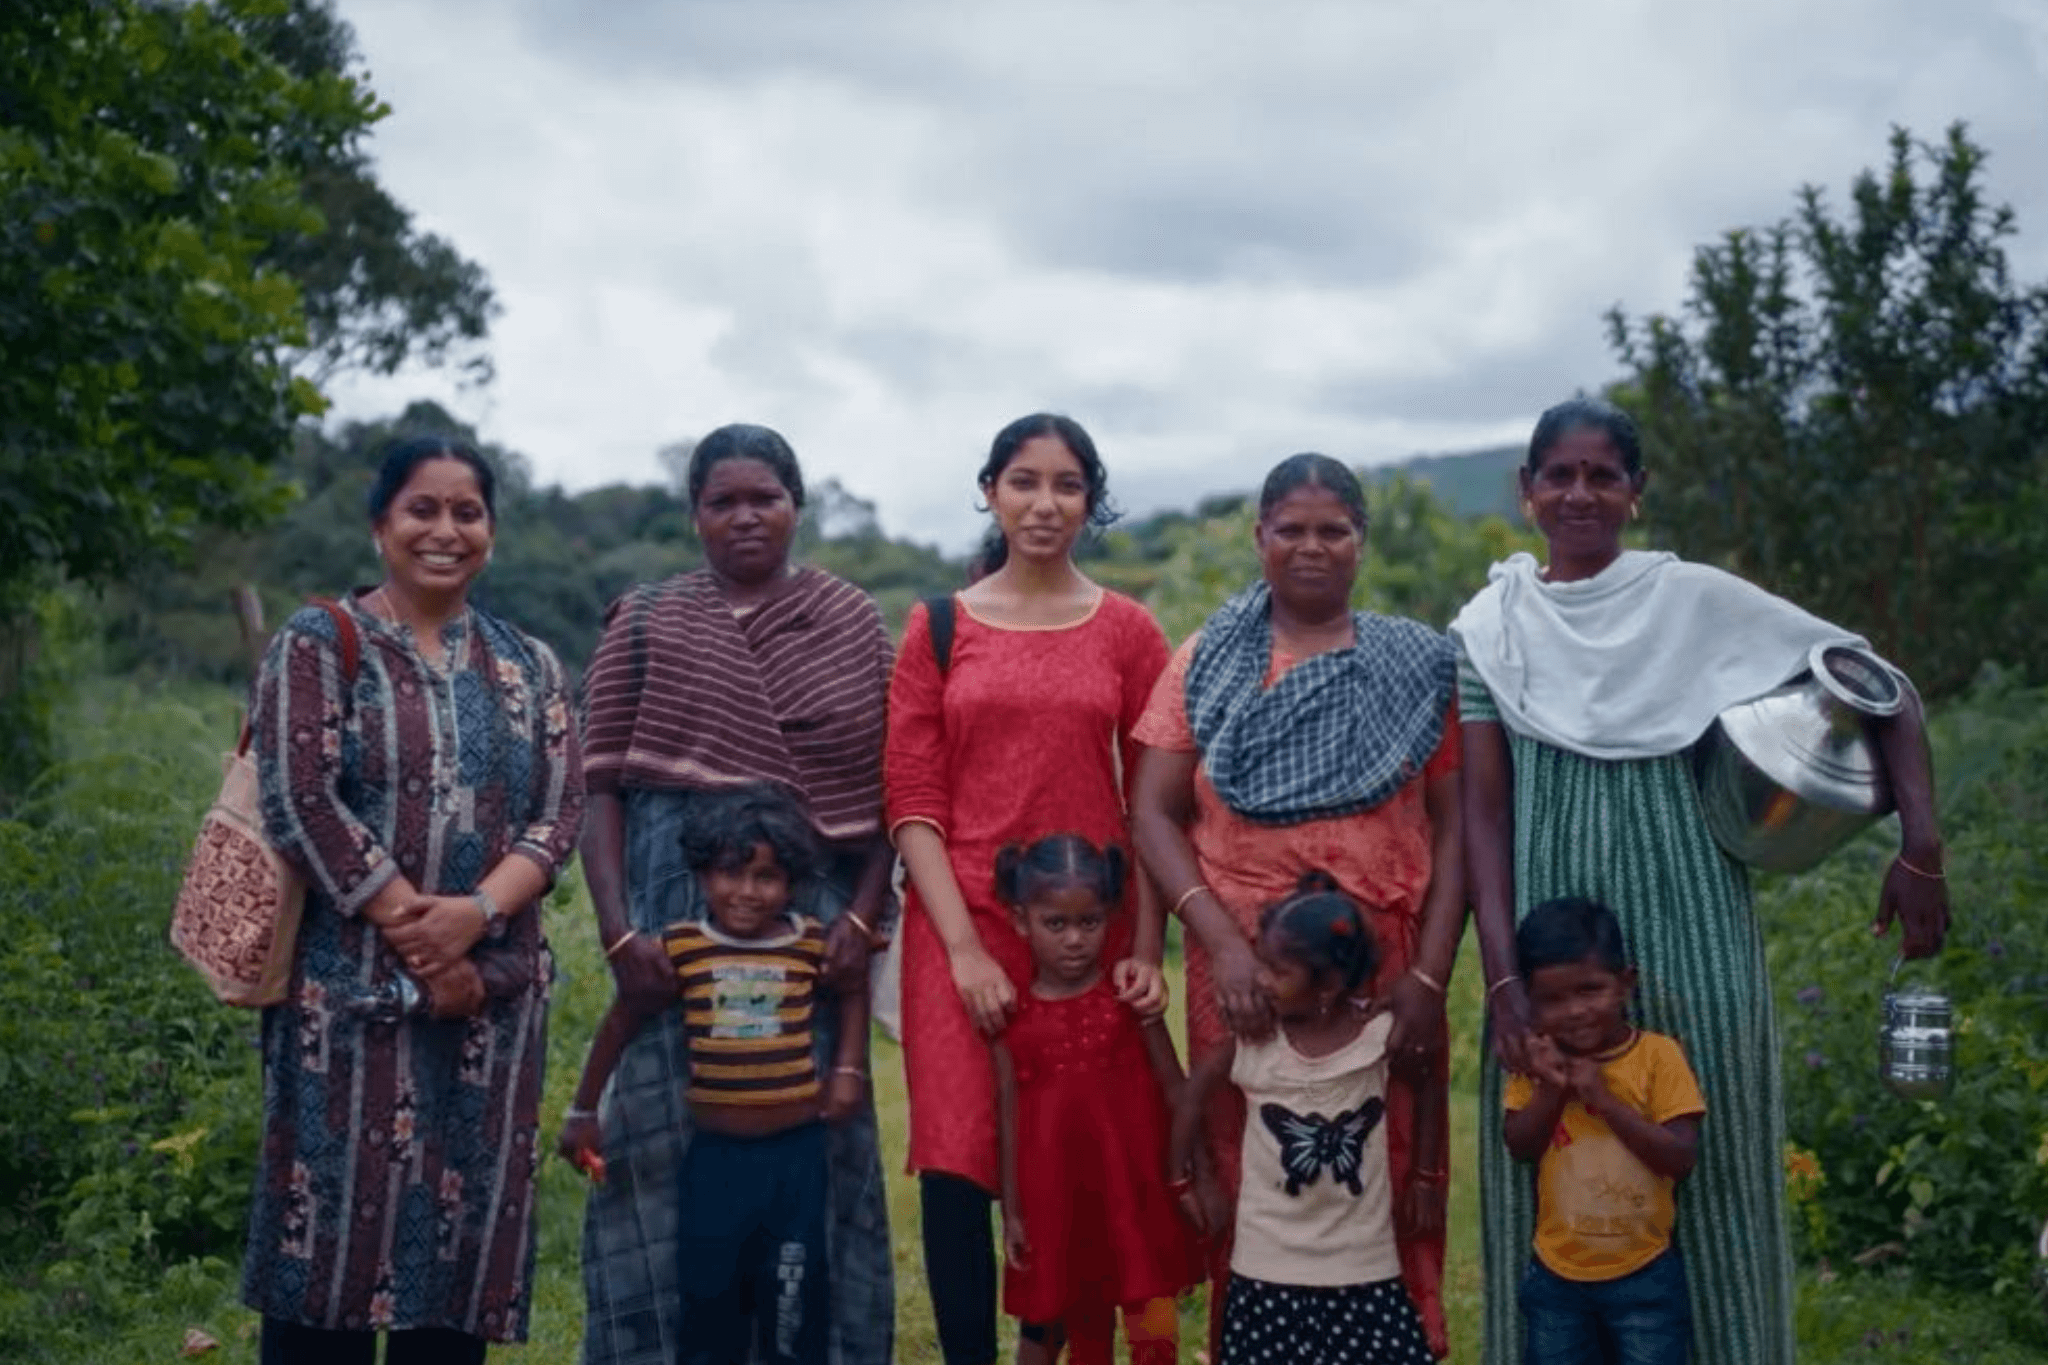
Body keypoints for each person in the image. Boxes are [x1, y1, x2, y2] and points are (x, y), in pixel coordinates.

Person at [1452, 397, 1952, 1365]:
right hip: (1547, 949)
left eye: (1602, 474)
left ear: (1636, 494)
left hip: (1693, 923)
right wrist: (1503, 976)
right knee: (1540, 1154)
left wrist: (1919, 848)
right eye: (1557, 474)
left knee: (1707, 1159)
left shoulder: (1696, 604)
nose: (1579, 492)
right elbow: (1482, 812)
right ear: (1526, 492)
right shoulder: (1489, 629)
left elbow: (1882, 687)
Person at [244, 435, 585, 1365]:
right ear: (379, 524)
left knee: (456, 1249)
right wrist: (416, 928)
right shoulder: (320, 643)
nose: (445, 530)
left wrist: (471, 917)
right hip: (343, 1001)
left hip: (490, 1003)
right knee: (329, 1245)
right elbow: (299, 797)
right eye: (421, 509)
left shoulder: (531, 667)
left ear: (491, 529)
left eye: (466, 511)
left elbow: (558, 817)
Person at [575, 423, 896, 1365]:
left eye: (766, 497)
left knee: (816, 1145)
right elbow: (598, 786)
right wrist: (618, 933)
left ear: (798, 505)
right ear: (695, 515)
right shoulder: (645, 620)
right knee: (651, 1143)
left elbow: (890, 795)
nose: (746, 515)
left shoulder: (848, 621)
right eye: (724, 500)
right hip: (667, 935)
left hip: (812, 932)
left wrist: (862, 919)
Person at [1130, 452, 1461, 1353]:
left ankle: (1399, 1336)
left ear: (1361, 540)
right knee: (1248, 1161)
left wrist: (1429, 976)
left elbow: (1455, 826)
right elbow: (1152, 814)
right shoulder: (1207, 661)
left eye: (1333, 530)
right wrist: (1225, 945)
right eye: (1292, 530)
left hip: (1381, 968)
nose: (1312, 547)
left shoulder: (1415, 665)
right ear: (1260, 537)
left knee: (1385, 1160)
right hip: (1242, 968)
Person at [886, 412, 1171, 1365]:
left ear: (1092, 501)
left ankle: (1049, 1347)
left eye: (1066, 484)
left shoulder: (1129, 631)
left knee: (1064, 1149)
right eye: (1023, 481)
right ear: (990, 491)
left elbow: (1157, 802)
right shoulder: (936, 627)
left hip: (1082, 926)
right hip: (954, 922)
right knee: (960, 1150)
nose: (1044, 503)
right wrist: (963, 947)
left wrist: (1141, 950)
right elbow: (914, 799)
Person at [559, 786, 867, 1365]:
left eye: (766, 877)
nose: (748, 892)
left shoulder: (808, 944)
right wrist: (582, 1112)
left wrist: (848, 1067)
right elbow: (621, 1021)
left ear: (791, 882)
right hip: (714, 1161)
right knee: (708, 1305)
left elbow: (852, 988)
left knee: (795, 1303)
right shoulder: (681, 949)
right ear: (701, 875)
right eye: (731, 874)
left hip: (796, 1162)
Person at [1169, 874, 1441, 1365]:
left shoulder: (1379, 1040)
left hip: (1365, 1271)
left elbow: (1426, 1081)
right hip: (1266, 1272)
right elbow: (1190, 1096)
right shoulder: (1254, 1045)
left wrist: (1424, 1177)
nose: (1261, 980)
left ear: (1329, 984)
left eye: (1277, 971)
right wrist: (1184, 1178)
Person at [989, 834, 1199, 1365]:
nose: (1075, 940)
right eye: (1055, 924)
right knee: (1085, 1329)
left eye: (1090, 923)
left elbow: (1177, 1089)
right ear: (1021, 921)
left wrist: (1193, 1176)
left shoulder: (1128, 999)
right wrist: (1014, 1212)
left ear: (1111, 916)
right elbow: (1011, 1120)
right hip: (1062, 1205)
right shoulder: (1014, 1022)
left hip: (1137, 1193)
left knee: (1154, 1323)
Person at [1504, 897, 1704, 1365]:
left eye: (1590, 990)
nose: (1575, 1011)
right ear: (1530, 1004)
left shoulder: (1658, 1057)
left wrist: (1603, 1100)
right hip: (1557, 1277)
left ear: (1625, 984)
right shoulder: (1538, 1063)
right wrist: (1553, 1090)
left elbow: (1679, 1157)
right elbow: (1519, 1146)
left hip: (1645, 1275)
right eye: (1552, 999)